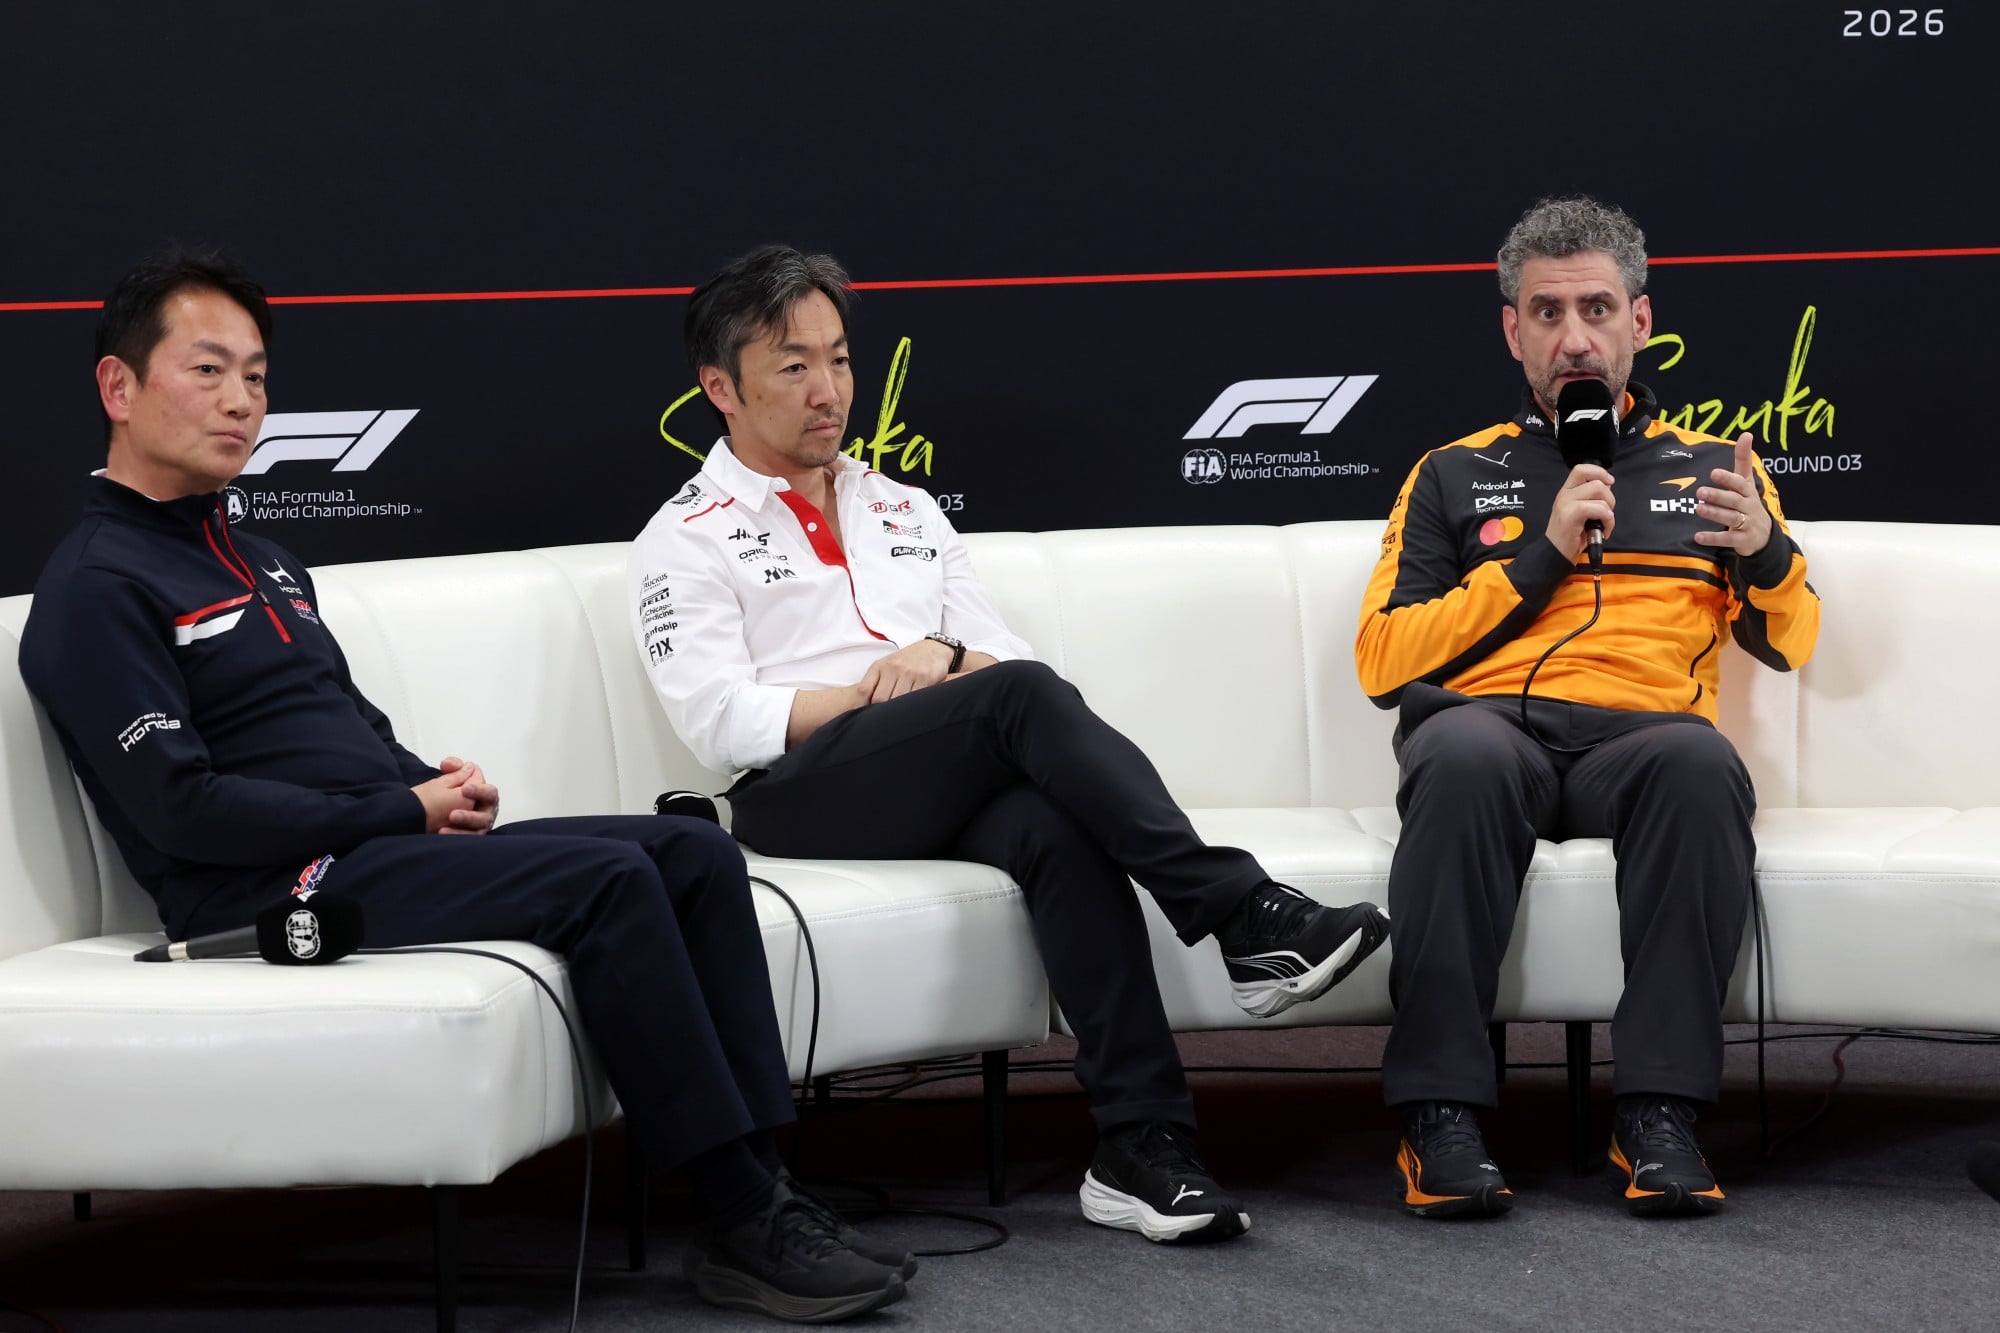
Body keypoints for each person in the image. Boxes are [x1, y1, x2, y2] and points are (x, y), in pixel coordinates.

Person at [17, 249, 912, 1324]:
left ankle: (766, 1180)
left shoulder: (260, 556)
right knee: (606, 883)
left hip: (371, 842)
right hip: (256, 896)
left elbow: (339, 728)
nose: (241, 401)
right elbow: (183, 811)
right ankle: (735, 1215)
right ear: (119, 388)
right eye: (207, 371)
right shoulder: (94, 585)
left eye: (255, 376)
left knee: (691, 849)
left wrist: (424, 778)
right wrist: (399, 809)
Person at [629, 243, 1391, 1245]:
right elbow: (717, 718)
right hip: (797, 793)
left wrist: (936, 656)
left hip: (936, 765)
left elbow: (1000, 651)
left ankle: (1139, 1144)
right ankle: (1241, 911)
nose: (830, 391)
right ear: (719, 387)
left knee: (1051, 825)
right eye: (794, 366)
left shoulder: (900, 507)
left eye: (841, 359)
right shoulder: (683, 535)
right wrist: (873, 690)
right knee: (1020, 701)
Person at [1354, 196, 1820, 1218]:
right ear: (1511, 330)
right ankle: (1439, 1116)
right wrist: (1537, 557)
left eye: (1596, 308)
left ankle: (1658, 1115)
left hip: (1639, 740)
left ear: (1638, 322)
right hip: (1489, 731)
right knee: (1461, 756)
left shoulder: (1719, 469)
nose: (1574, 335)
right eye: (1548, 310)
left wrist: (1764, 552)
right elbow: (1383, 660)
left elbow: (1786, 642)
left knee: (1700, 766)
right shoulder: (1450, 471)